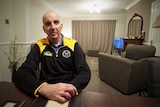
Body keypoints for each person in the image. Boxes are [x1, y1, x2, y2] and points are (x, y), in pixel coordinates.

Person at [14, 10, 91, 103]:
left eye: (56, 22)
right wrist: (43, 88)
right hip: (46, 93)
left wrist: (69, 89)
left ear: (61, 26)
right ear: (44, 29)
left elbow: (85, 72)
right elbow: (21, 73)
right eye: (48, 24)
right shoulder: (39, 45)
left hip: (69, 92)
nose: (53, 27)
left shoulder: (73, 44)